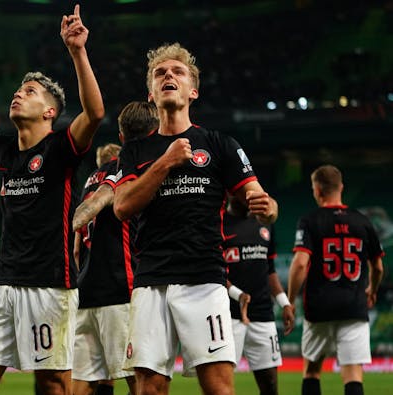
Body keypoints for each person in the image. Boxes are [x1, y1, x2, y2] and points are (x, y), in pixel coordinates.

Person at [0, 4, 104, 395]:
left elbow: (94, 112)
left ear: (49, 112)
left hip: (50, 286)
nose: (17, 95)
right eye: (18, 90)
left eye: (29, 92)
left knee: (52, 386)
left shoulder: (62, 148)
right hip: (4, 284)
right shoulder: (6, 152)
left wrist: (78, 50)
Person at [112, 43, 278, 395]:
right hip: (151, 281)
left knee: (219, 388)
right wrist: (167, 161)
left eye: (177, 72)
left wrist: (267, 205)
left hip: (204, 279)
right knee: (149, 388)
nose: (168, 76)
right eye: (160, 73)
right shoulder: (135, 151)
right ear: (151, 93)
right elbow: (122, 207)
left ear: (193, 90)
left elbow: (260, 198)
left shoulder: (219, 144)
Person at [71, 101, 159, 395]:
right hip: (120, 286)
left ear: (122, 137)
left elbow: (75, 248)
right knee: (137, 377)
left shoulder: (90, 180)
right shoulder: (129, 171)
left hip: (86, 288)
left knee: (84, 379)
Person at [287, 165, 384, 395]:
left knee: (312, 371)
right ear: (340, 187)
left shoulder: (309, 220)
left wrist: (290, 300)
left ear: (317, 190)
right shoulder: (363, 221)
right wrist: (372, 289)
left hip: (319, 308)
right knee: (352, 376)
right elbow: (377, 267)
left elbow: (300, 263)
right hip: (354, 306)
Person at [222, 195, 294, 395]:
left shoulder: (265, 223)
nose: (248, 196)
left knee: (270, 386)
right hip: (229, 315)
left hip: (263, 314)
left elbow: (269, 269)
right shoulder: (218, 222)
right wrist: (238, 295)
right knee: (221, 386)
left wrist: (284, 303)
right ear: (230, 193)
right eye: (242, 191)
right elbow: (214, 270)